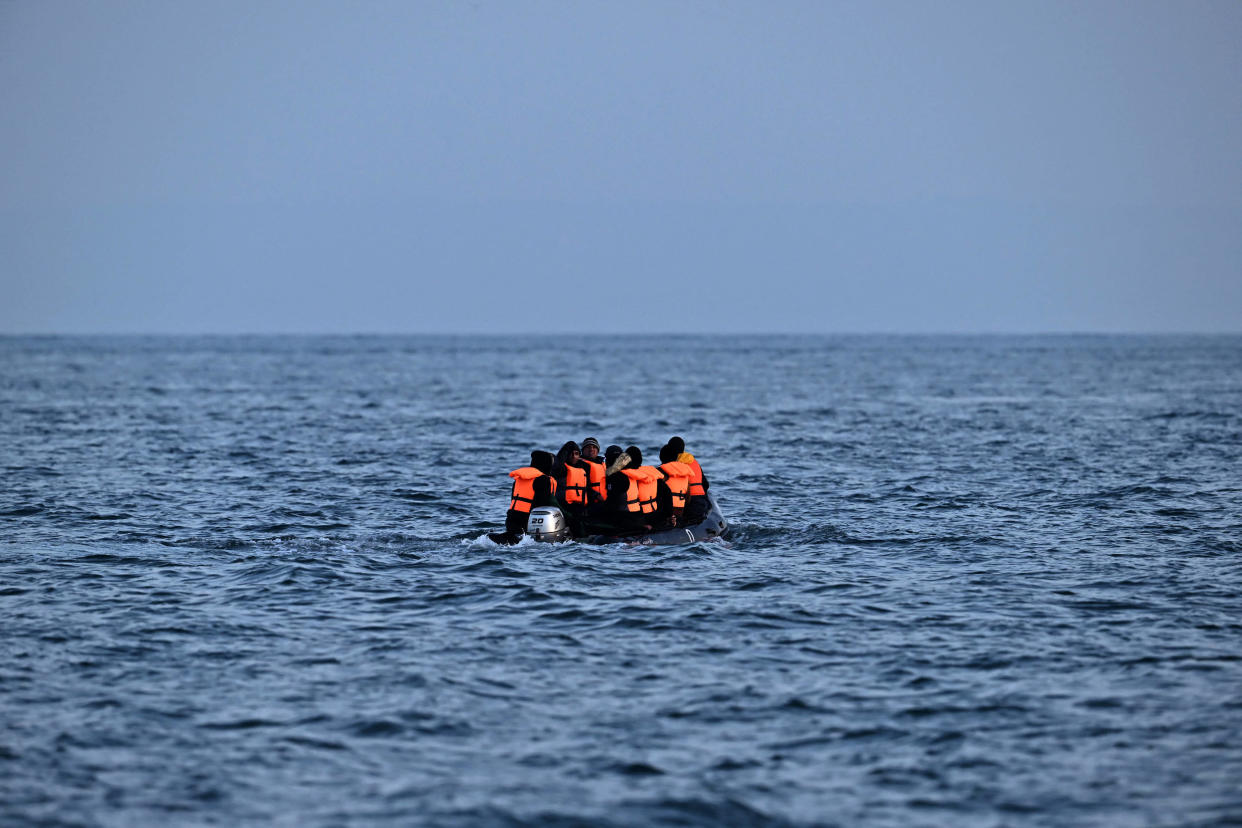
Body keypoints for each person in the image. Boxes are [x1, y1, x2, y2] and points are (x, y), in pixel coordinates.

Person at [489, 450, 556, 545]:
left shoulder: (518, 480)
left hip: (510, 520)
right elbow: (545, 505)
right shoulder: (544, 480)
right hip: (528, 522)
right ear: (547, 465)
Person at [666, 436, 710, 523]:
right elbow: (706, 484)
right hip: (701, 502)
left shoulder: (671, 465)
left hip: (686, 505)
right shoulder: (694, 462)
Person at [618, 446, 662, 529]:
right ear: (641, 459)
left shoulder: (627, 476)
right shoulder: (652, 473)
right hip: (655, 513)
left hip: (640, 517)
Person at [551, 441, 589, 536]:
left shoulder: (583, 468)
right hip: (564, 507)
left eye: (576, 454)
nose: (573, 456)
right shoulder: (560, 469)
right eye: (570, 454)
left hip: (579, 507)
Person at [655, 443, 693, 527]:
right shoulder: (685, 472)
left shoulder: (659, 471)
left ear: (661, 457)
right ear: (676, 457)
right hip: (680, 511)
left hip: (665, 513)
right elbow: (688, 498)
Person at [579, 437, 607, 504]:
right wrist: (596, 495)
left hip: (605, 500)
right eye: (588, 447)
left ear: (598, 450)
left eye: (594, 447)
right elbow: (583, 486)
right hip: (590, 501)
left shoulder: (603, 463)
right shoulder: (580, 465)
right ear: (583, 451)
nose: (591, 449)